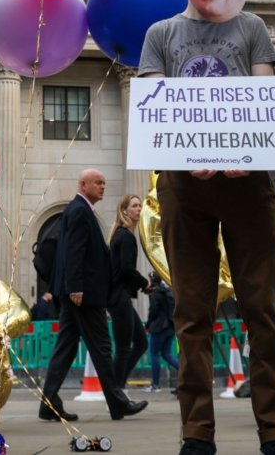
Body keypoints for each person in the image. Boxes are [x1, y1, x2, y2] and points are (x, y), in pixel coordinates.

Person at [138, 0, 275, 455]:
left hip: (248, 185)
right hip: (184, 187)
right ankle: (196, 434)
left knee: (262, 307)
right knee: (191, 313)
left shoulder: (252, 29)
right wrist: (190, 156)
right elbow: (156, 111)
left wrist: (247, 153)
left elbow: (264, 99)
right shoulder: (160, 35)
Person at [39, 170, 150, 423]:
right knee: (102, 347)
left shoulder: (79, 209)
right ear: (83, 184)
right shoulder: (80, 210)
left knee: (66, 348)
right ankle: (118, 403)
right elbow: (73, 251)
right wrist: (76, 287)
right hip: (83, 294)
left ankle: (48, 403)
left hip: (77, 293)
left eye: (104, 183)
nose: (102, 187)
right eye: (98, 183)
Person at [108, 194, 151, 392]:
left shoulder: (121, 235)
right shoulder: (125, 236)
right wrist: (144, 282)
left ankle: (117, 388)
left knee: (140, 343)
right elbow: (126, 268)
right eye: (134, 206)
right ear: (124, 210)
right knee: (124, 348)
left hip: (120, 297)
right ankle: (116, 392)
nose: (139, 209)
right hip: (119, 297)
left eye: (140, 205)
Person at [146, 279, 178, 392]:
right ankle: (187, 373)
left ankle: (155, 385)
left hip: (158, 328)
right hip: (170, 327)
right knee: (167, 354)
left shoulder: (156, 294)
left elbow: (153, 311)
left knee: (154, 354)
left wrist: (148, 324)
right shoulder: (170, 292)